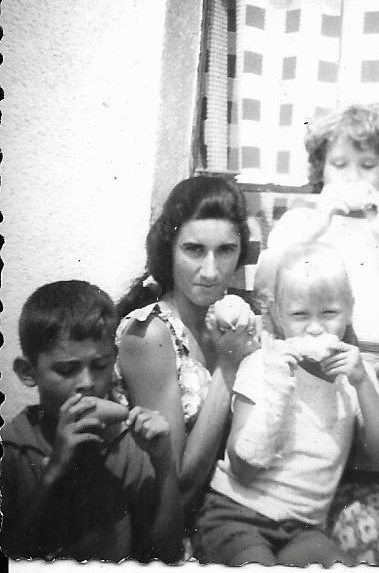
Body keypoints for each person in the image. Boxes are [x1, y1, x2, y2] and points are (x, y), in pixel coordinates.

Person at [194, 242, 379, 566]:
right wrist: (279, 385)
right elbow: (243, 468)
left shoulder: (357, 376)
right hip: (234, 513)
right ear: (278, 314)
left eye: (329, 313)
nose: (316, 327)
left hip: (303, 529)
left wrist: (363, 382)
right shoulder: (261, 365)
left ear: (349, 309)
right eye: (300, 315)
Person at [258, 103, 379, 409]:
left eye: (368, 166)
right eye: (339, 164)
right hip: (300, 353)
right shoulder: (300, 221)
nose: (353, 176)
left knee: (366, 453)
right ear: (321, 168)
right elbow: (262, 286)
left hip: (371, 359)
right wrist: (316, 227)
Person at [1, 280, 183, 562]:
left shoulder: (128, 446)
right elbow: (15, 552)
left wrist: (163, 462)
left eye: (100, 366)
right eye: (66, 369)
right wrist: (55, 469)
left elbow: (167, 554)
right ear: (28, 372)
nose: (87, 383)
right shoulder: (13, 449)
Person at [114, 175, 257, 522]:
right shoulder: (149, 332)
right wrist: (228, 366)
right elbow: (178, 485)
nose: (211, 271)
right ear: (169, 250)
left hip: (235, 511)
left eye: (226, 250)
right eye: (194, 250)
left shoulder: (237, 321)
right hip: (165, 525)